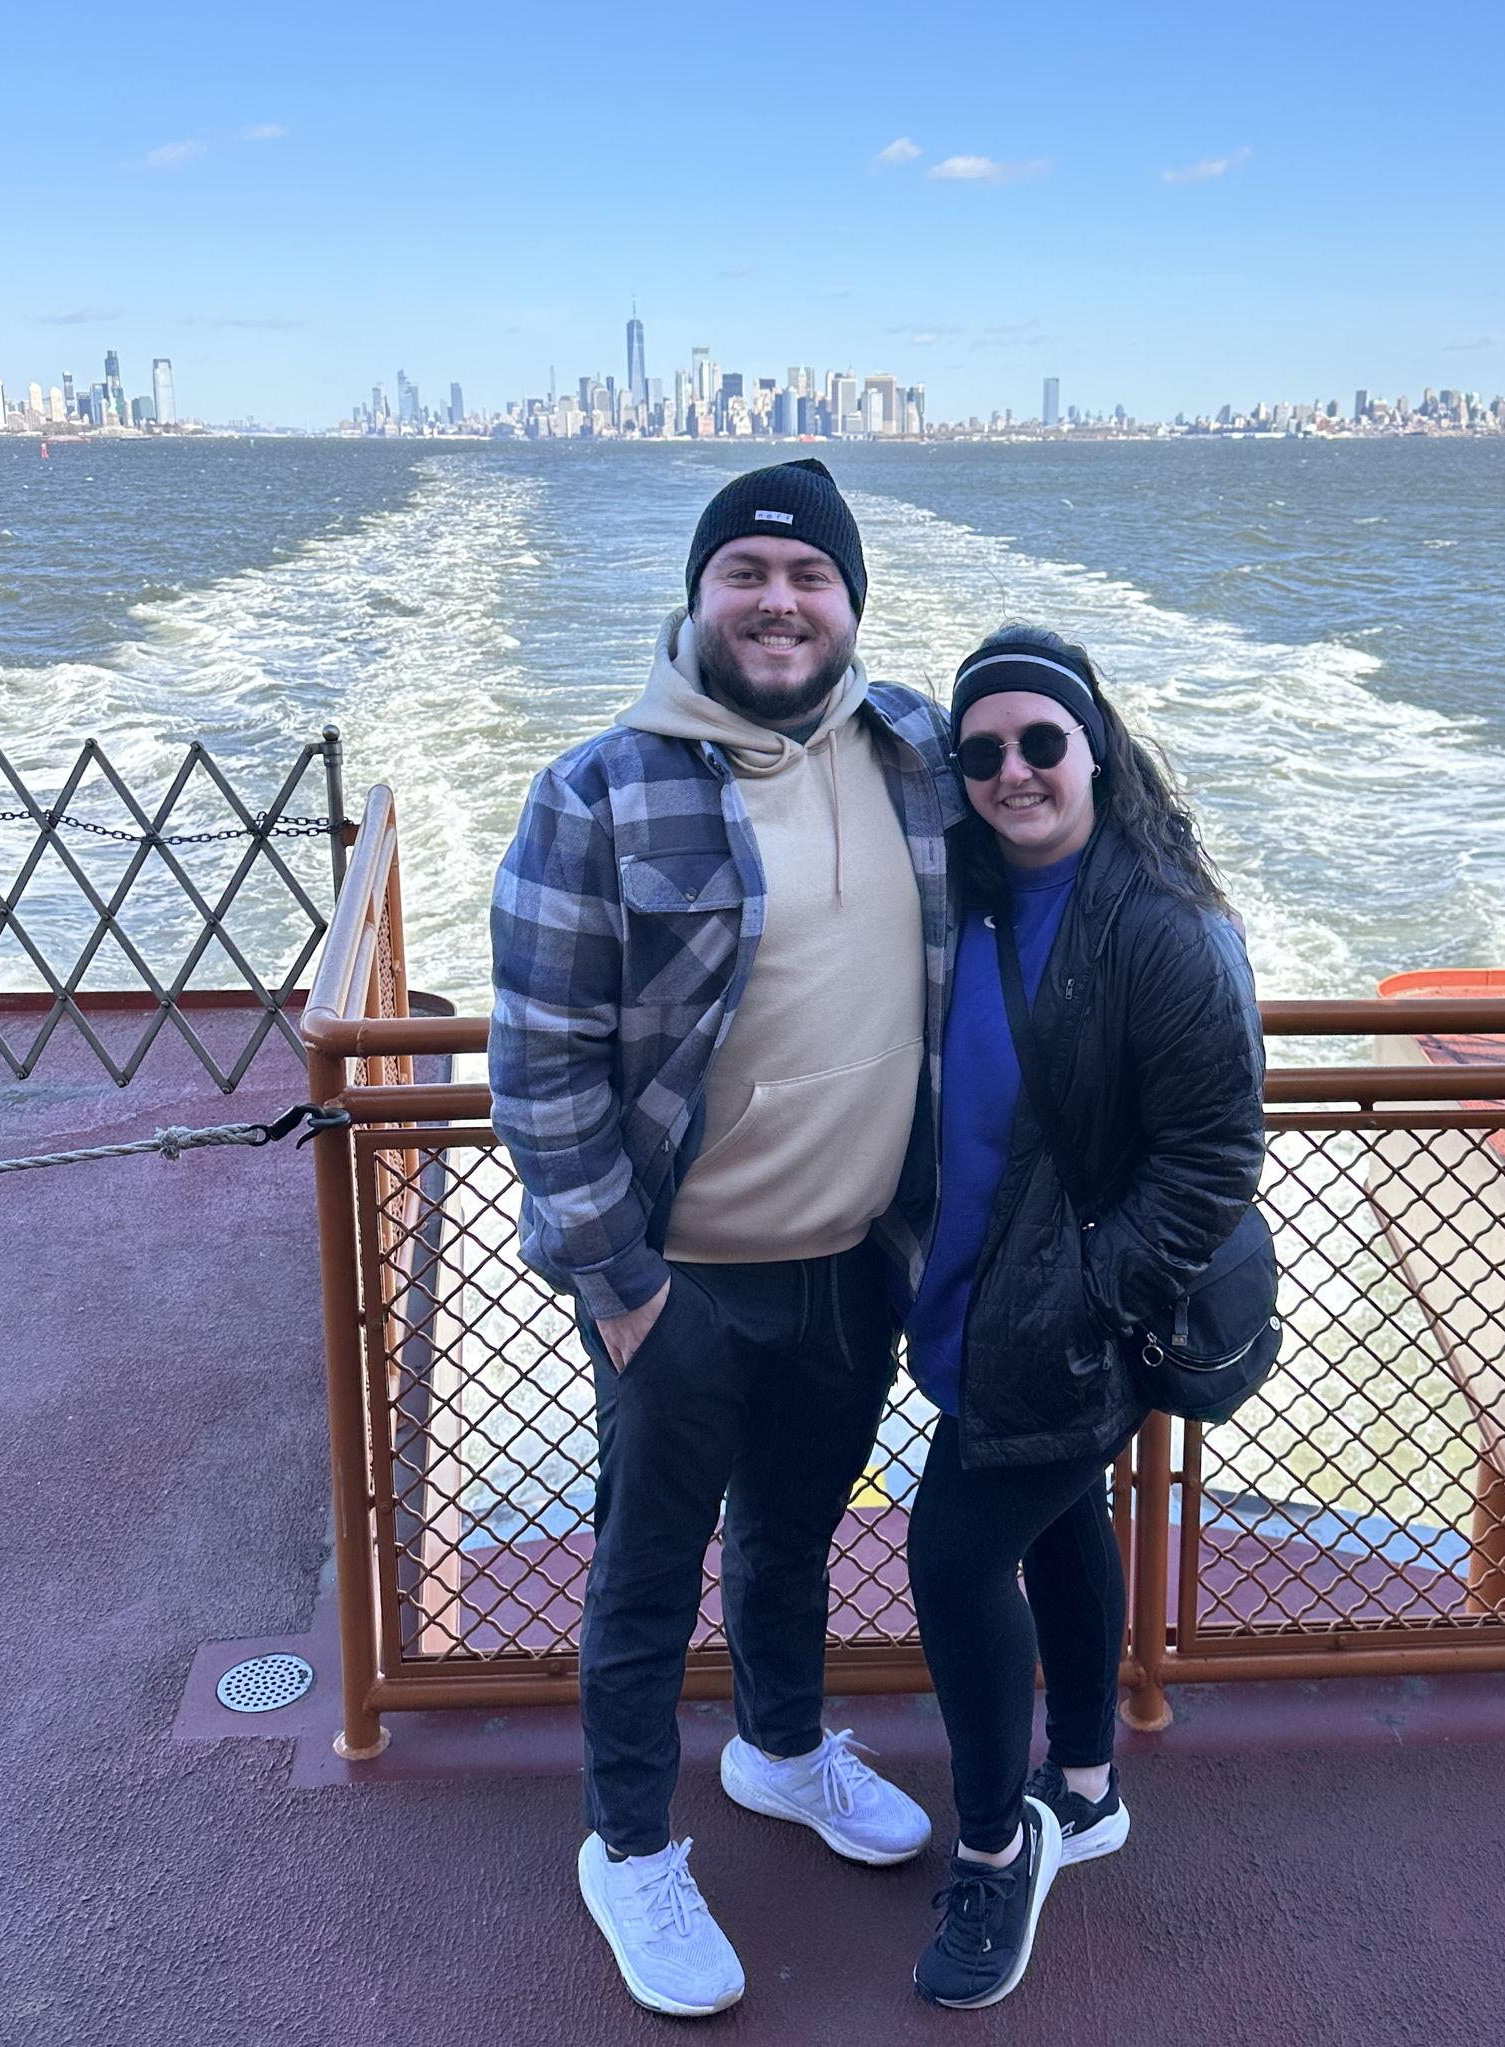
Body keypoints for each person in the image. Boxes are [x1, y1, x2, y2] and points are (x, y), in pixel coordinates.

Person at [489, 459, 963, 2019]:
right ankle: (626, 1844)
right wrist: (620, 1291)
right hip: (677, 1279)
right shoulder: (601, 788)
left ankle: (776, 1752)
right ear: (697, 598)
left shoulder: (915, 754)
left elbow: (1075, 806)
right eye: (746, 570)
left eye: (807, 575)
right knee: (644, 1570)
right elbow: (540, 1058)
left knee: (795, 1535)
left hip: (854, 1259)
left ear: (850, 605)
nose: (778, 599)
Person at [901, 624, 1266, 2010]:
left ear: (1095, 749)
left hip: (1068, 1325)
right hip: (969, 1303)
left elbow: (1215, 1155)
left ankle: (998, 1848)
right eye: (981, 751)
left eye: (1041, 742)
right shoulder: (973, 893)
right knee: (1060, 1527)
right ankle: (1093, 1788)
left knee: (949, 1561)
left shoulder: (1163, 928)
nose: (1013, 771)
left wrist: (1097, 1297)